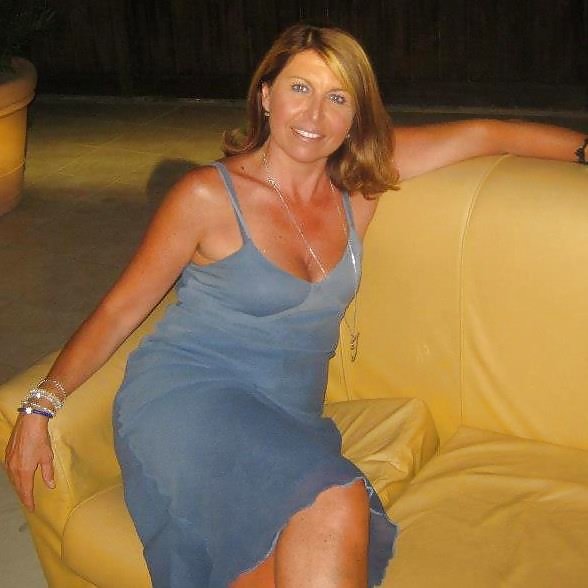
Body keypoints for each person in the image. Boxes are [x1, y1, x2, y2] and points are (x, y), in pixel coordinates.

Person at [4, 23, 586, 588]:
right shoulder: (207, 196)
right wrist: (40, 404)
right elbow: (119, 310)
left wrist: (584, 148)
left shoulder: (360, 182)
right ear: (266, 96)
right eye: (300, 88)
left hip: (287, 417)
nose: (315, 115)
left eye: (338, 98)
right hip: (189, 400)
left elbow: (486, 135)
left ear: (355, 115)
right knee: (336, 498)